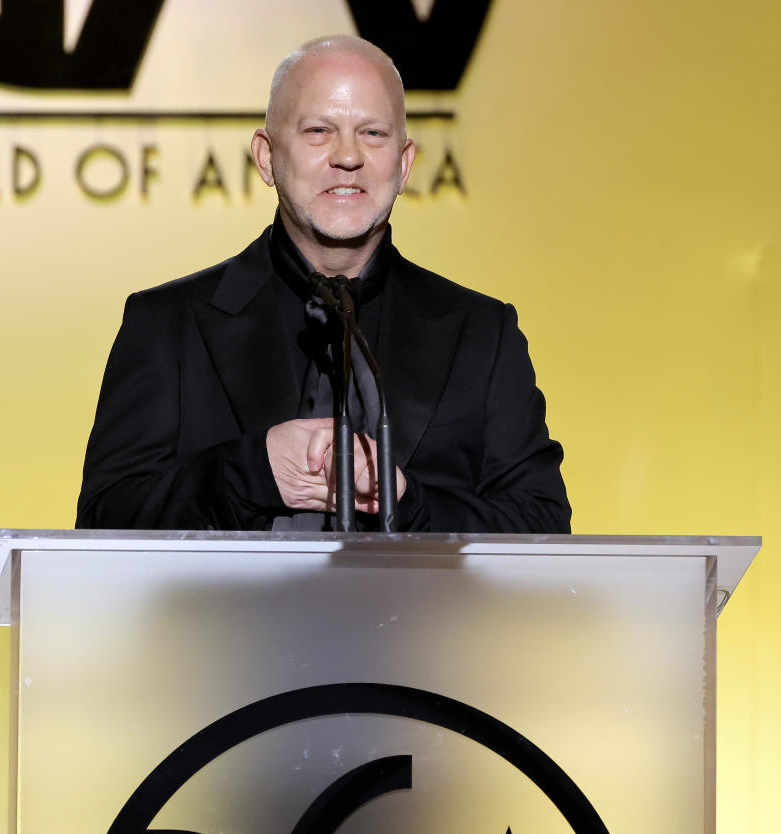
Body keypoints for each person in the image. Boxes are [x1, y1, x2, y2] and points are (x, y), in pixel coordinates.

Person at [76, 35, 570, 533]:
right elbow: (103, 521)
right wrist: (253, 473)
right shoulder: (166, 324)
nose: (348, 157)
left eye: (373, 134)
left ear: (403, 164)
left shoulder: (483, 332)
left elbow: (543, 527)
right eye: (318, 130)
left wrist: (404, 500)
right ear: (267, 157)